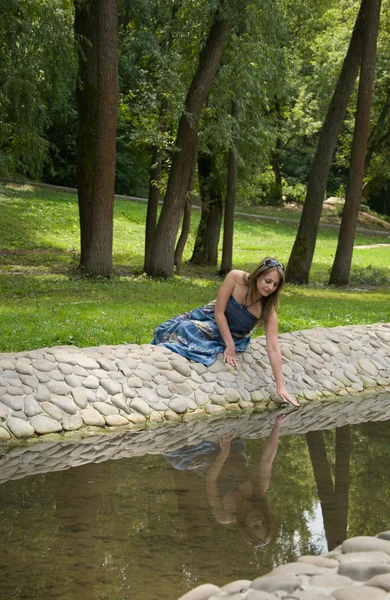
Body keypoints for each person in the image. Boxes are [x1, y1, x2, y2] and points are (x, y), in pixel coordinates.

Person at [152, 256, 299, 407]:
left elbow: (274, 349)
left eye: (275, 285)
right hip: (211, 315)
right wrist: (229, 346)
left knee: (185, 328)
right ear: (258, 275)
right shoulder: (236, 278)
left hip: (234, 333)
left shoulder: (268, 310)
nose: (270, 288)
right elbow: (219, 312)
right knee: (168, 326)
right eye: (268, 281)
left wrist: (280, 386)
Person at [164, 414, 289, 547]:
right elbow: (267, 459)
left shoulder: (224, 515)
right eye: (263, 523)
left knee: (175, 457)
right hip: (233, 449)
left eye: (255, 527)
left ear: (246, 528)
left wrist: (223, 454)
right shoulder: (259, 491)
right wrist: (277, 425)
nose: (258, 521)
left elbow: (210, 481)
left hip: (204, 460)